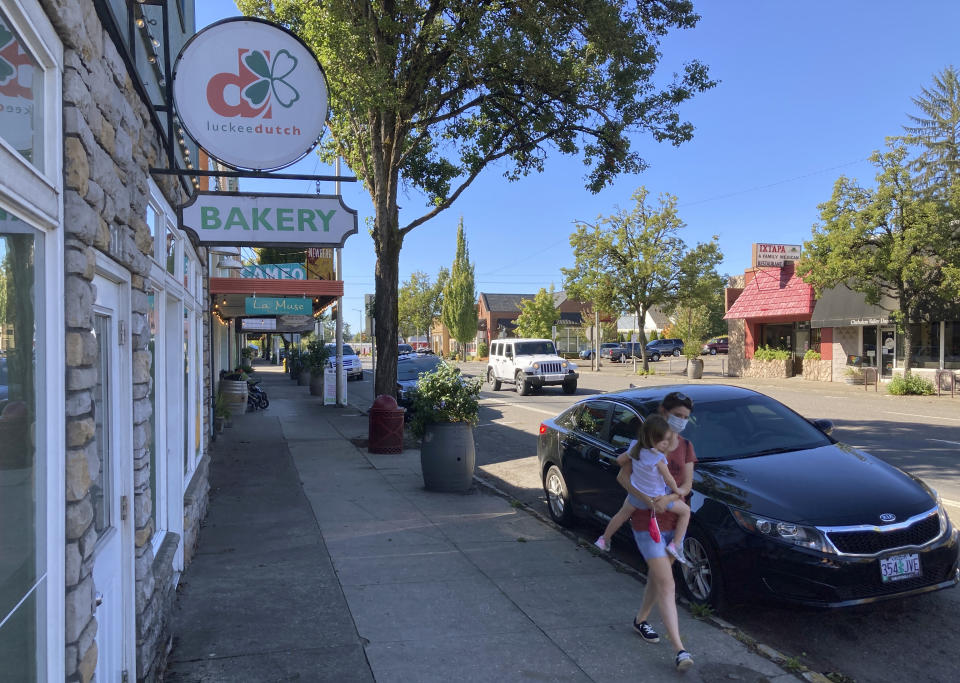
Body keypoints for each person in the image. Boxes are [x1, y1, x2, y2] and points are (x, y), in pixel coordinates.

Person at [630, 392, 698, 672]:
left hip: (673, 524)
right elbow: (623, 477)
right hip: (648, 524)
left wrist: (670, 499)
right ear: (663, 412)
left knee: (657, 580)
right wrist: (649, 502)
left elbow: (686, 487)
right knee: (668, 584)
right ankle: (680, 650)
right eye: (677, 416)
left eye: (685, 417)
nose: (681, 422)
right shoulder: (643, 446)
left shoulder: (686, 446)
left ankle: (640, 620)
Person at [594, 416, 691, 567]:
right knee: (685, 512)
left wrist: (631, 456)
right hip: (657, 497)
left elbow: (619, 460)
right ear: (652, 439)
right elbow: (669, 479)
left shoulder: (634, 447)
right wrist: (677, 491)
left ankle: (604, 539)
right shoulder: (658, 458)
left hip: (637, 494)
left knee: (621, 515)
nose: (666, 443)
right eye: (663, 440)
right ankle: (676, 545)